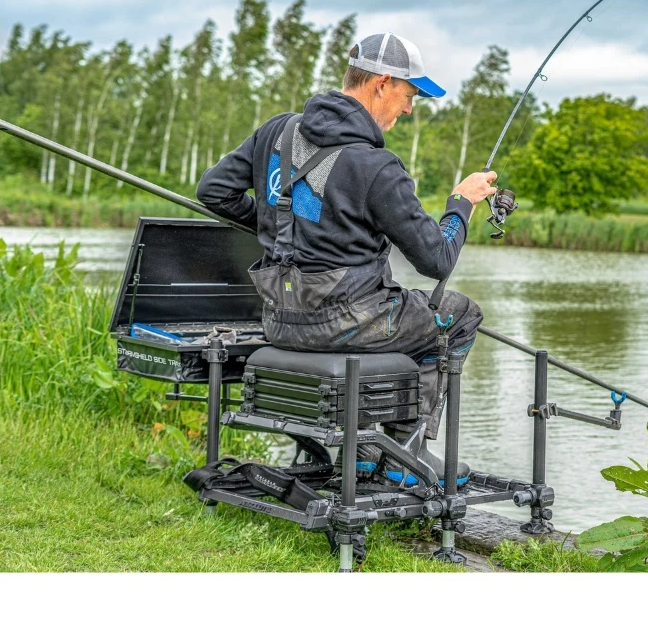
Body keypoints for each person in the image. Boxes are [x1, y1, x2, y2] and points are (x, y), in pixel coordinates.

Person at [196, 32, 496, 483]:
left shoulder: (277, 131)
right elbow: (437, 260)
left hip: (280, 319)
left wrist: (275, 223)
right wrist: (461, 203)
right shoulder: (377, 167)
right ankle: (405, 451)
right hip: (346, 324)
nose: (408, 109)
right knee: (458, 315)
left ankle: (363, 452)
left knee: (398, 315)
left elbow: (213, 191)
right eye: (409, 95)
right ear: (381, 83)